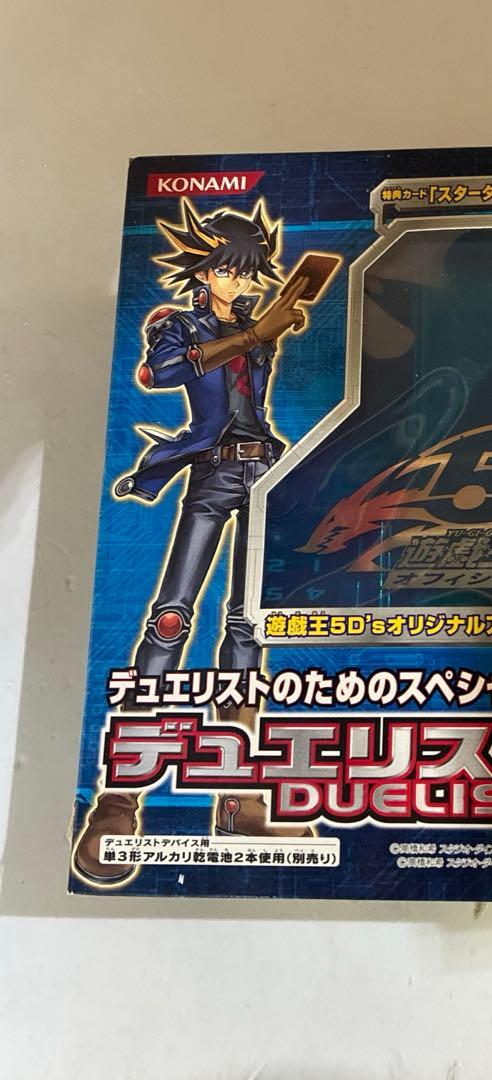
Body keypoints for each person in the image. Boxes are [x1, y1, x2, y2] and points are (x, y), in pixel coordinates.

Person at [74, 199, 313, 885]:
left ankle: (236, 800)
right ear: (205, 271)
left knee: (250, 624)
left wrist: (264, 331)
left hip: (266, 472)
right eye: (231, 270)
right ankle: (119, 800)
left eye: (249, 271)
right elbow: (160, 375)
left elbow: (252, 392)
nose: (242, 280)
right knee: (172, 618)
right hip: (212, 472)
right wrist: (254, 333)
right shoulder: (177, 324)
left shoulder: (253, 328)